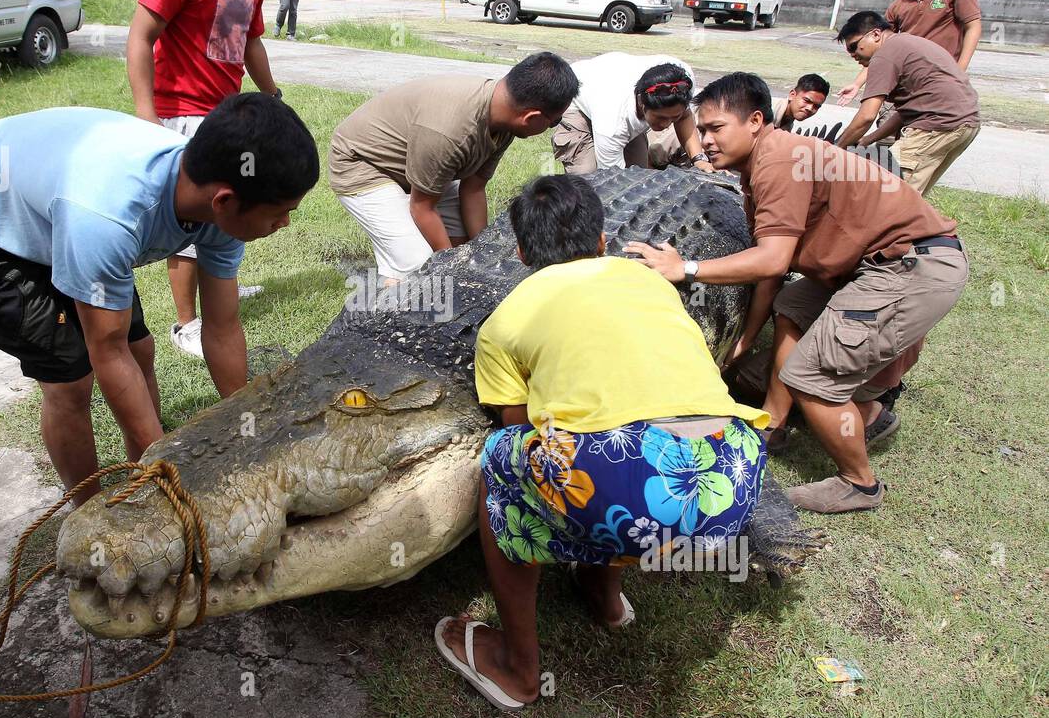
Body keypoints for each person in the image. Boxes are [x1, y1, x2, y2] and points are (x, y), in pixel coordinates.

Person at [435, 175, 768, 710]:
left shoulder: (501, 325)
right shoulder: (655, 283)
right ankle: (604, 599)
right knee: (614, 447)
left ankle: (519, 670)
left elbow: (521, 432)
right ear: (601, 241)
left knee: (504, 462)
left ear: (521, 252)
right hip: (730, 475)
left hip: (629, 490)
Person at [0, 95, 319, 505]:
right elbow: (106, 351)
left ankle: (145, 487)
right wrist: (172, 465)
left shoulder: (219, 205)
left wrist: (247, 424)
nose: (284, 224)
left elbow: (222, 326)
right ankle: (92, 513)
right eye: (281, 213)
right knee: (70, 379)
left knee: (139, 349)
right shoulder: (110, 217)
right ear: (224, 201)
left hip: (62, 207)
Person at [627, 73, 968, 514]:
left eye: (716, 129)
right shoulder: (764, 161)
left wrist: (686, 268)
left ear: (754, 121)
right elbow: (776, 270)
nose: (705, 141)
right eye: (703, 129)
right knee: (792, 305)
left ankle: (859, 483)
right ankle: (774, 423)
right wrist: (748, 339)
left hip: (910, 267)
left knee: (812, 377)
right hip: (873, 266)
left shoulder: (781, 161)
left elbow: (770, 260)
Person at [128, 0, 277, 360]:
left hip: (225, 115)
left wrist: (271, 98)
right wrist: (147, 119)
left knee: (230, 209)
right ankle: (185, 324)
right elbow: (139, 37)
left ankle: (221, 291)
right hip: (179, 116)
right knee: (191, 220)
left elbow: (249, 41)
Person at [330, 52, 579, 286]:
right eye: (554, 121)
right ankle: (393, 286)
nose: (554, 126)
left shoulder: (503, 122)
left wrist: (481, 254)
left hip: (420, 167)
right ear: (531, 117)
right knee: (423, 268)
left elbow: (474, 188)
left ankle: (401, 270)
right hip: (364, 164)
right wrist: (453, 269)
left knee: (462, 248)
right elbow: (422, 207)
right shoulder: (450, 132)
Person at [834, 11, 981, 196]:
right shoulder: (907, 43)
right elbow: (908, 111)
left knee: (886, 195)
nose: (853, 55)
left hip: (937, 125)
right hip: (965, 124)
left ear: (876, 34)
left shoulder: (884, 56)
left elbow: (866, 116)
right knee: (910, 200)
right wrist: (868, 140)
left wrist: (836, 150)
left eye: (854, 46)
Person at [836, 0, 982, 106]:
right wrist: (857, 83)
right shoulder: (899, 4)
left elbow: (973, 27)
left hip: (939, 79)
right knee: (892, 126)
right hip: (906, 82)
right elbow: (880, 49)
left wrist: (959, 71)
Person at [551, 53, 713, 174]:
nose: (666, 125)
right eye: (661, 118)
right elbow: (612, 180)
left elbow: (684, 116)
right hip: (577, 98)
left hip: (612, 86)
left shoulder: (682, 82)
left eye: (673, 117)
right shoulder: (612, 122)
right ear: (642, 103)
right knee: (588, 181)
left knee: (639, 176)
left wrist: (699, 160)